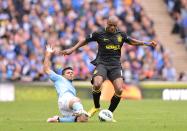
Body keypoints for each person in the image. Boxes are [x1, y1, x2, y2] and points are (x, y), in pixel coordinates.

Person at [58, 16, 157, 121]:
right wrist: (72, 49)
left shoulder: (121, 35)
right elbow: (85, 40)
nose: (112, 28)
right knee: (97, 84)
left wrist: (147, 43)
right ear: (107, 23)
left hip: (115, 65)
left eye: (115, 26)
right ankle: (96, 107)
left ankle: (109, 113)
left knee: (119, 89)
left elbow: (132, 41)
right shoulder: (99, 33)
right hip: (102, 63)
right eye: (111, 25)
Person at [44, 45, 88, 123]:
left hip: (66, 105)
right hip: (65, 99)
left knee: (83, 119)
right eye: (68, 73)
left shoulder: (72, 87)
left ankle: (58, 119)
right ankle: (80, 110)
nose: (71, 74)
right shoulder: (59, 78)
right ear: (63, 75)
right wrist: (48, 54)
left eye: (72, 73)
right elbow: (46, 69)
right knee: (77, 100)